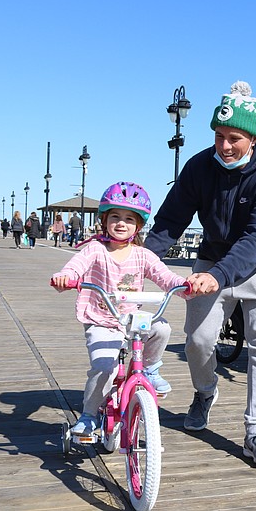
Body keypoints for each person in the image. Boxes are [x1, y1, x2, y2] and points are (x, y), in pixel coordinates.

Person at [145, 81, 256, 467]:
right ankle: (205, 391)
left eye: (234, 138)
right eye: (218, 136)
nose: (224, 146)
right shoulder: (198, 166)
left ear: (253, 138)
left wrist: (221, 275)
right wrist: (140, 260)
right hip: (212, 259)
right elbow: (171, 220)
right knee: (198, 340)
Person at [51, 182, 192, 436]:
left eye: (129, 218)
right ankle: (89, 415)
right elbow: (75, 266)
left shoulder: (143, 254)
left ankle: (150, 367)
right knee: (105, 367)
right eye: (114, 216)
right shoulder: (95, 249)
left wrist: (182, 285)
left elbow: (164, 276)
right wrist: (65, 277)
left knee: (160, 327)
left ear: (138, 226)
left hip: (130, 318)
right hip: (101, 319)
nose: (121, 223)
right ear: (104, 219)